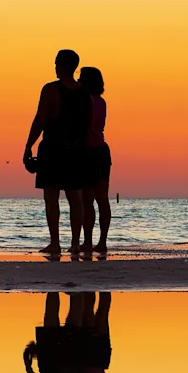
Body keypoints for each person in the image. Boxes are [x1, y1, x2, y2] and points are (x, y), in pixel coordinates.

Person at [24, 49, 91, 255]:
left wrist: (28, 145)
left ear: (62, 65)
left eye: (56, 63)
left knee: (51, 197)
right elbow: (88, 125)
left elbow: (40, 119)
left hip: (53, 148)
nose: (54, 67)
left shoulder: (51, 90)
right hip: (76, 150)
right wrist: (83, 150)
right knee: (75, 198)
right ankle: (75, 243)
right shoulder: (84, 93)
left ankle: (55, 242)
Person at [78, 67, 112, 256]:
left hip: (88, 152)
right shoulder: (102, 101)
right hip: (102, 151)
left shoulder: (85, 101)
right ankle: (102, 242)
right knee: (102, 199)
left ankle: (88, 242)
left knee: (87, 200)